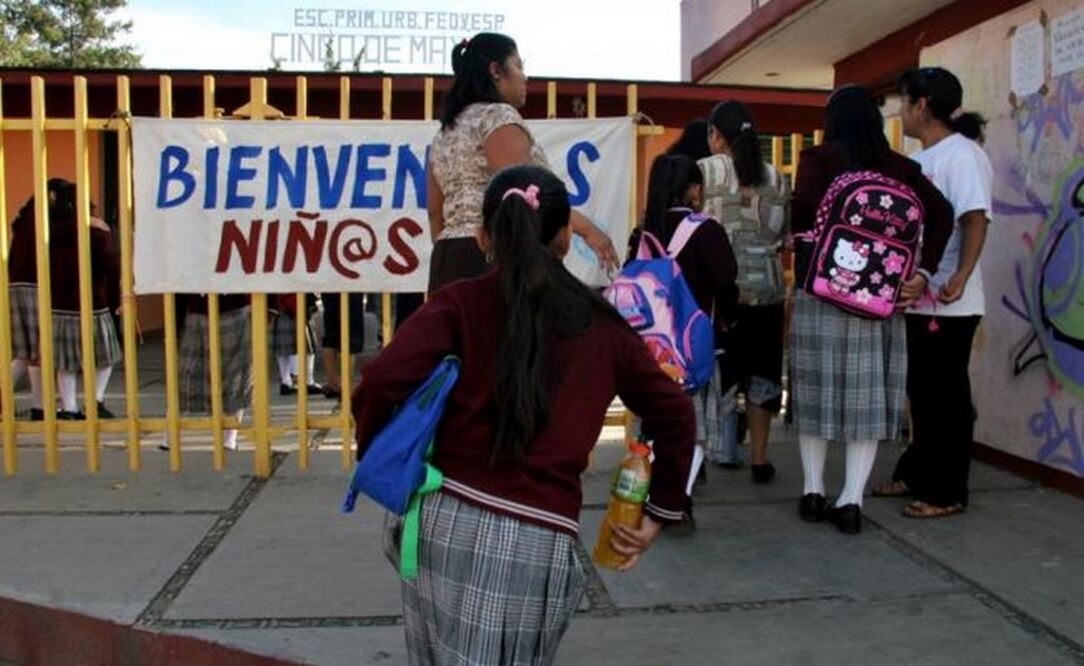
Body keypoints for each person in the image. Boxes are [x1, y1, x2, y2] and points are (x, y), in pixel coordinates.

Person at [353, 165, 695, 664]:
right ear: (563, 238)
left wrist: (376, 452)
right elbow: (676, 413)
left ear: (483, 236)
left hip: (439, 520)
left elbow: (382, 381)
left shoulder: (460, 302)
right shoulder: (602, 324)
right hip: (535, 539)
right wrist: (659, 512)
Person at [789, 85, 953, 534]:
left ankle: (812, 490)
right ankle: (851, 500)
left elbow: (802, 211)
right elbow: (942, 213)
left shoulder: (819, 160)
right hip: (880, 300)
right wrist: (923, 273)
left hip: (821, 293)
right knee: (865, 398)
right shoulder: (904, 168)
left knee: (816, 390)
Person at [873, 67, 993, 519]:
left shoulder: (961, 156)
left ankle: (947, 491)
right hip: (917, 298)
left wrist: (961, 274)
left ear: (922, 104)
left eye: (904, 103)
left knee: (946, 397)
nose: (900, 113)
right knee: (922, 393)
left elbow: (976, 218)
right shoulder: (920, 159)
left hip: (951, 301)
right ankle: (917, 472)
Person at [426, 32, 618, 293]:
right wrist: (587, 229)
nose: (525, 77)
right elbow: (522, 192)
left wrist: (454, 251)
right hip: (494, 254)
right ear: (496, 70)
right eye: (518, 66)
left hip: (447, 259)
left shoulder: (445, 131)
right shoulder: (498, 117)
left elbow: (435, 213)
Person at [629, 154, 738, 521]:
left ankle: (651, 487)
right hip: (693, 345)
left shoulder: (643, 233)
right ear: (694, 189)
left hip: (649, 345)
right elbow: (726, 278)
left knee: (654, 417)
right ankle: (680, 493)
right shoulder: (705, 229)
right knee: (696, 422)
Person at [699, 100, 791, 482]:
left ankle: (711, 453)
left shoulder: (705, 171)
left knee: (715, 375)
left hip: (719, 293)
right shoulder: (779, 178)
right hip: (767, 291)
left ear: (715, 135)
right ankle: (759, 457)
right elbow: (785, 237)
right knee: (762, 375)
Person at [8, 178, 121, 420]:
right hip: (42, 291)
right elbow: (109, 265)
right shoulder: (73, 227)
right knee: (39, 353)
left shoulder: (34, 218)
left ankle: (47, 407)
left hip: (39, 293)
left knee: (45, 356)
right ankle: (73, 404)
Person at [166, 293, 251, 451]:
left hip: (227, 307)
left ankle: (229, 437)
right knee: (189, 376)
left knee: (235, 375)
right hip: (203, 309)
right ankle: (170, 434)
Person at [270, 293, 320, 396]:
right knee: (305, 346)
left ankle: (286, 381)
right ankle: (306, 381)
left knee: (283, 349)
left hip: (281, 309)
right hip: (297, 306)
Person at [319, 292, 365, 400]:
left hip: (329, 287)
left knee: (330, 336)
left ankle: (333, 383)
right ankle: (347, 385)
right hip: (351, 288)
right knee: (350, 338)